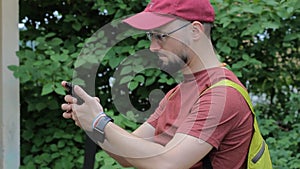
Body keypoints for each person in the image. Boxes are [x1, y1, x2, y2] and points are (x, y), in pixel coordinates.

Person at [61, 0, 254, 168]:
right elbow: (127, 156)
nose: (152, 47)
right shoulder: (176, 93)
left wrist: (100, 122)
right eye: (150, 36)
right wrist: (91, 120)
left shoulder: (223, 95)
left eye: (161, 36)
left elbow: (168, 163)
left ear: (195, 31)